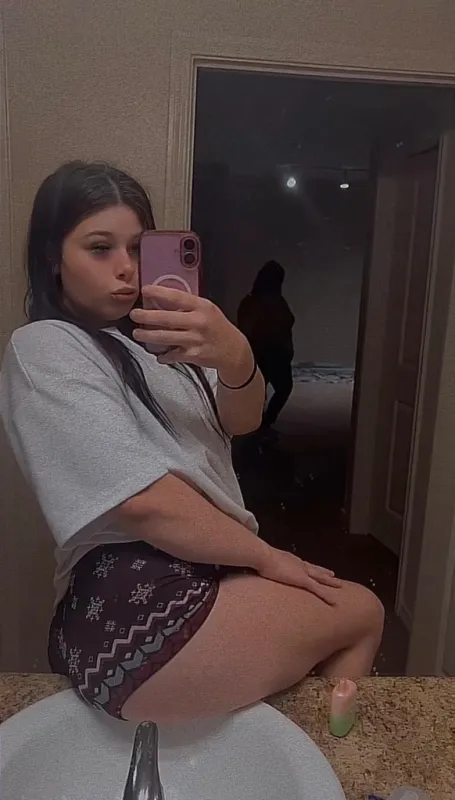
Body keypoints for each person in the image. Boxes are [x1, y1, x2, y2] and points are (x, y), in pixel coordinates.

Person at [0, 162, 384, 724]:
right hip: (137, 600)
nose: (126, 268)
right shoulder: (47, 344)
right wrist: (267, 557)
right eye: (100, 248)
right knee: (364, 610)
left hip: (179, 588)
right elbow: (140, 501)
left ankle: (301, 753)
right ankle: (331, 759)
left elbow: (242, 420)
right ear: (53, 258)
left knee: (288, 684)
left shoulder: (163, 345)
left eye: (138, 248)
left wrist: (237, 356)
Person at [238, 261, 295, 429]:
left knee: (279, 389)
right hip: (264, 354)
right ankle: (257, 427)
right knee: (260, 392)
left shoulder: (272, 301)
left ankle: (262, 425)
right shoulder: (254, 302)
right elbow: (248, 329)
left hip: (275, 355)